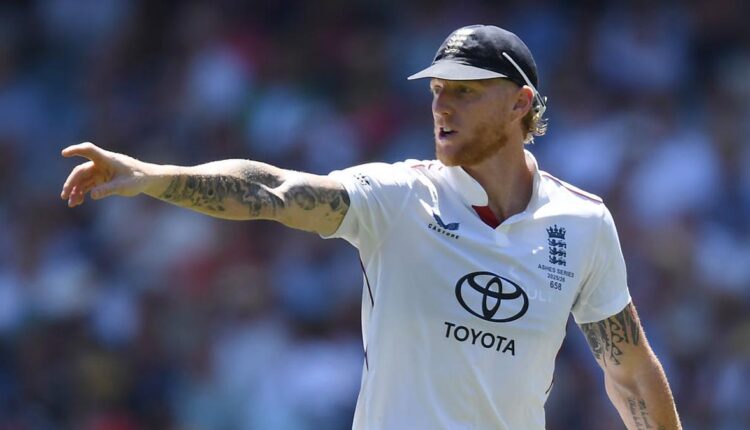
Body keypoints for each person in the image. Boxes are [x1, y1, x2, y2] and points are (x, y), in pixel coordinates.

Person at [60, 25, 681, 430]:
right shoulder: (399, 195)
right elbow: (274, 191)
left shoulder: (583, 224)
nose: (441, 106)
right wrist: (153, 176)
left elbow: (628, 370)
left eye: (464, 92)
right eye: (437, 90)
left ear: (520, 104)